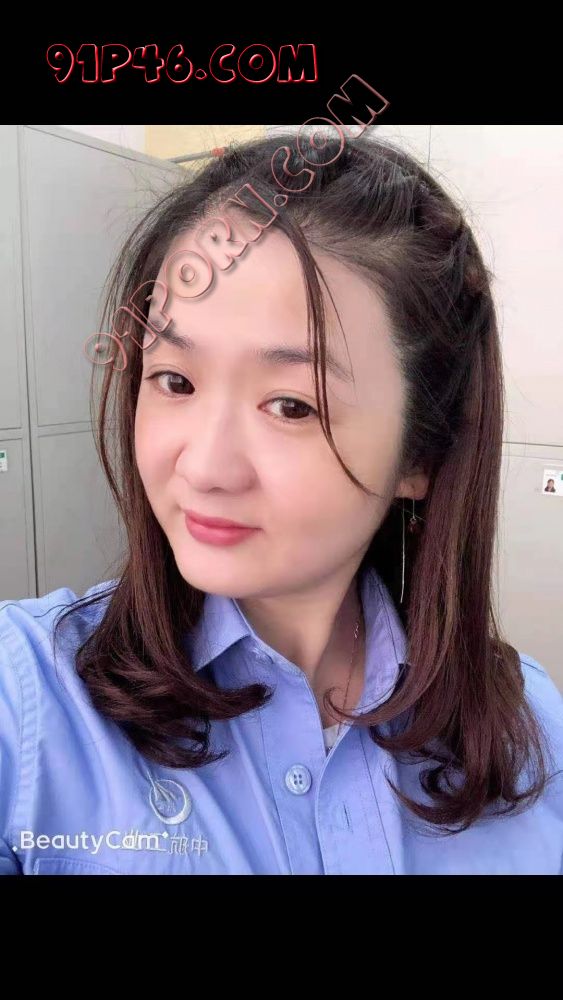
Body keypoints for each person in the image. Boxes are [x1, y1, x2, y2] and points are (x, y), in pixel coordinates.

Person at [1, 130, 562, 876]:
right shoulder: (27, 704)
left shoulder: (528, 728)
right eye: (174, 381)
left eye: (293, 405)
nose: (204, 467)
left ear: (420, 454)